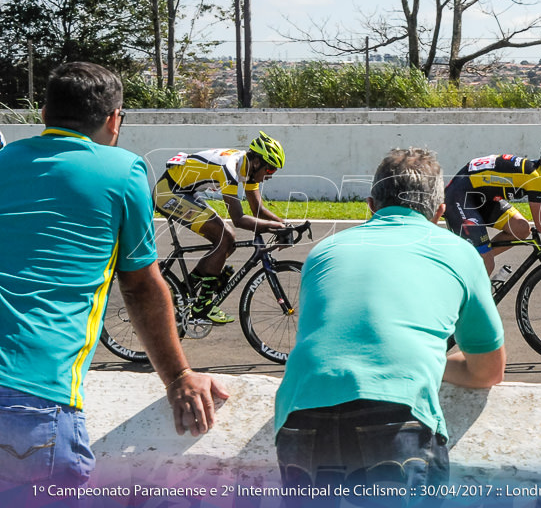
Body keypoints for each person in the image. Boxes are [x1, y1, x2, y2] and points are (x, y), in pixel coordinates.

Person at [0, 62, 227, 491]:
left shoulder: (3, 159)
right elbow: (140, 284)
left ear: (44, 115)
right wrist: (178, 376)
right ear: (113, 119)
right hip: (36, 399)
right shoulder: (123, 171)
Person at [275, 148, 505, 498]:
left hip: (300, 410)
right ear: (440, 211)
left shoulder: (325, 250)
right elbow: (488, 370)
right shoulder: (460, 253)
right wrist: (424, 361)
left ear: (370, 204)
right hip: (397, 411)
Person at [152, 131, 288, 323]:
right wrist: (274, 228)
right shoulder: (230, 168)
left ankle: (186, 288)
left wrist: (285, 225)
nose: (270, 176)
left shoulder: (248, 170)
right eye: (270, 170)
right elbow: (238, 219)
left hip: (183, 190)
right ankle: (202, 306)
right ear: (257, 162)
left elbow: (258, 209)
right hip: (168, 193)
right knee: (225, 237)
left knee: (228, 242)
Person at [444, 137, 541, 275]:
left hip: (481, 196)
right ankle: (470, 298)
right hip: (460, 196)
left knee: (521, 229)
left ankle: (471, 259)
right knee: (487, 263)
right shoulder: (534, 178)